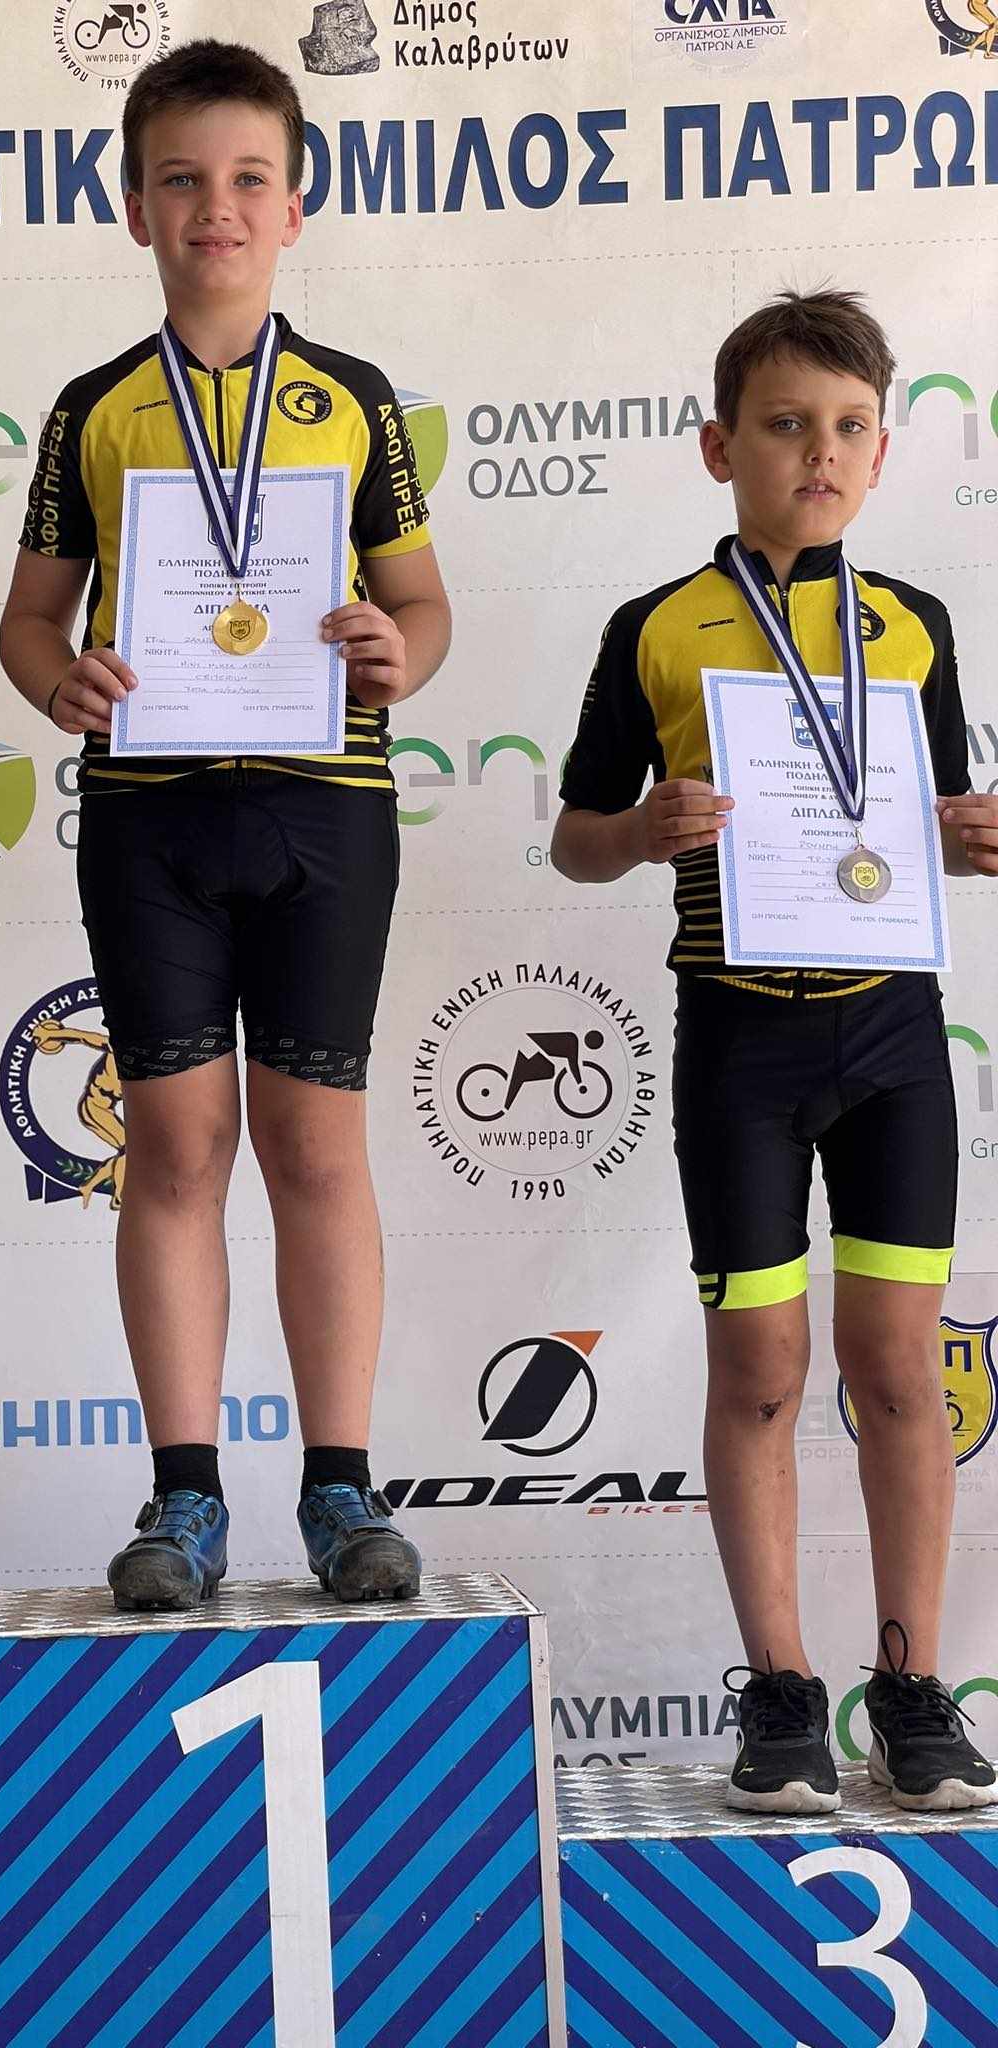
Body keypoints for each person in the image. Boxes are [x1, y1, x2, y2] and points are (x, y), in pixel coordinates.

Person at [0, 39, 450, 1610]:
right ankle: (185, 1494)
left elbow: (422, 605)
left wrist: (400, 652)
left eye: (250, 177)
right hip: (153, 818)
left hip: (327, 811)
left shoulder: (355, 400)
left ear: (297, 204)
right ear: (135, 206)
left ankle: (342, 1488)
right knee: (177, 1148)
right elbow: (31, 622)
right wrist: (59, 680)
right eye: (182, 179)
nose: (218, 207)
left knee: (314, 1146)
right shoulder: (92, 410)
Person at [553, 288, 998, 1813]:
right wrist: (641, 830)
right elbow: (575, 837)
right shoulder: (656, 628)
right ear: (718, 447)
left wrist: (972, 839)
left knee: (899, 1368)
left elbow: (930, 826)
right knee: (758, 1367)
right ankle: (786, 1691)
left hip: (894, 1039)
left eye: (850, 427)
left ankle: (914, 1691)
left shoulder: (913, 624)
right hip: (738, 1039)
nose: (821, 451)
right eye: (787, 424)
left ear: (882, 452)